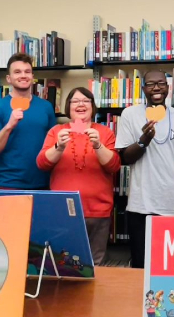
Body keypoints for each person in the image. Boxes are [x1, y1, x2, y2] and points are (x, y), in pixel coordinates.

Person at [115, 70, 174, 269]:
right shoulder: (130, 114)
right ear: (143, 89)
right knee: (141, 264)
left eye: (161, 83)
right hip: (142, 204)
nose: (156, 88)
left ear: (168, 88)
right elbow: (125, 157)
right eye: (151, 84)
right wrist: (144, 141)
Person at [36, 87, 120, 265]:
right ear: (68, 107)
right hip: (63, 211)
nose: (81, 104)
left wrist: (98, 145)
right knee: (65, 264)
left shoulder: (105, 132)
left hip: (98, 211)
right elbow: (42, 163)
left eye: (86, 101)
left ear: (92, 106)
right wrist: (58, 146)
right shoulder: (56, 131)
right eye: (75, 101)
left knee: (96, 265)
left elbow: (114, 166)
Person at [0, 52, 57, 190]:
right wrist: (9, 126)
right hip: (9, 184)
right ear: (9, 78)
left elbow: (54, 145)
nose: (23, 75)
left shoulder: (46, 107)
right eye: (17, 72)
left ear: (32, 77)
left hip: (44, 183)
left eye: (27, 72)